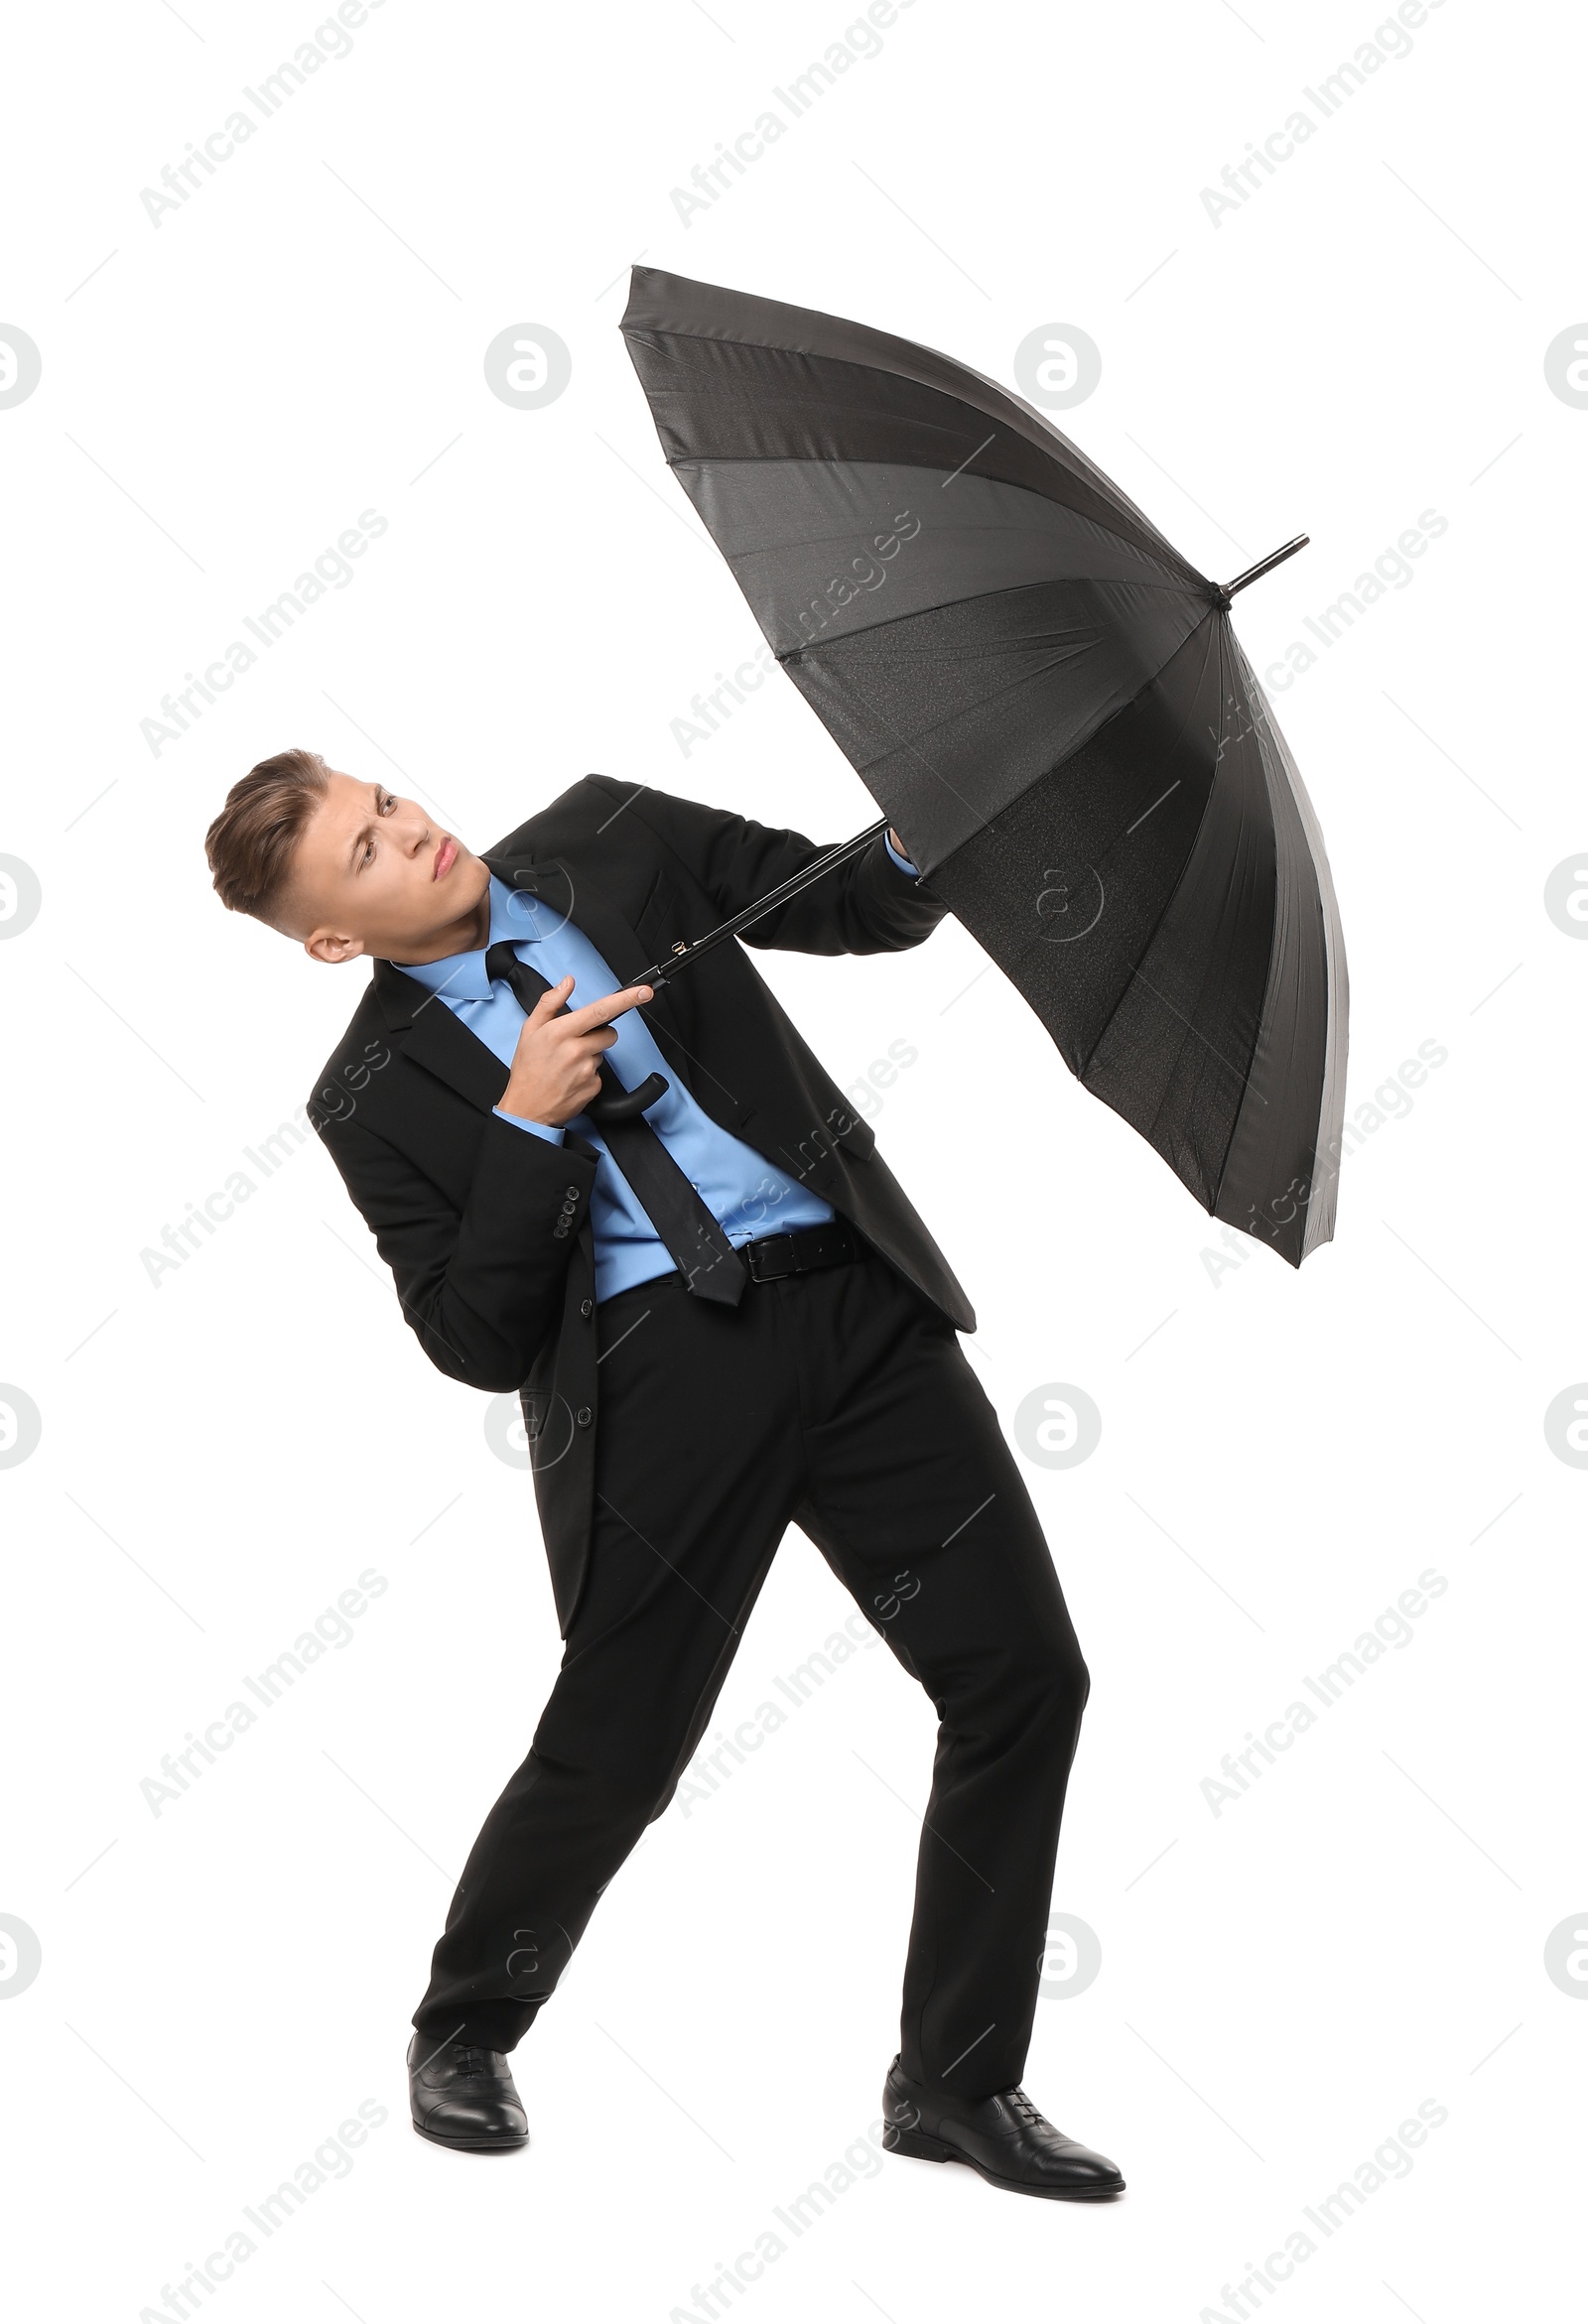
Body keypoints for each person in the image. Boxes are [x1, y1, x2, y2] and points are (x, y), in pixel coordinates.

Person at [202, 745, 1123, 2201]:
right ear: (331, 938)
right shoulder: (366, 1096)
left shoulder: (608, 836)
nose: (414, 834)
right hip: (662, 1368)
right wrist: (524, 1118)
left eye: (387, 804)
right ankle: (463, 2028)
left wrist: (916, 845)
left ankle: (957, 2075)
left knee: (1025, 1678)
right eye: (365, 855)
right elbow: (471, 1335)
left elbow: (833, 900)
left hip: (854, 1299)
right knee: (622, 1742)